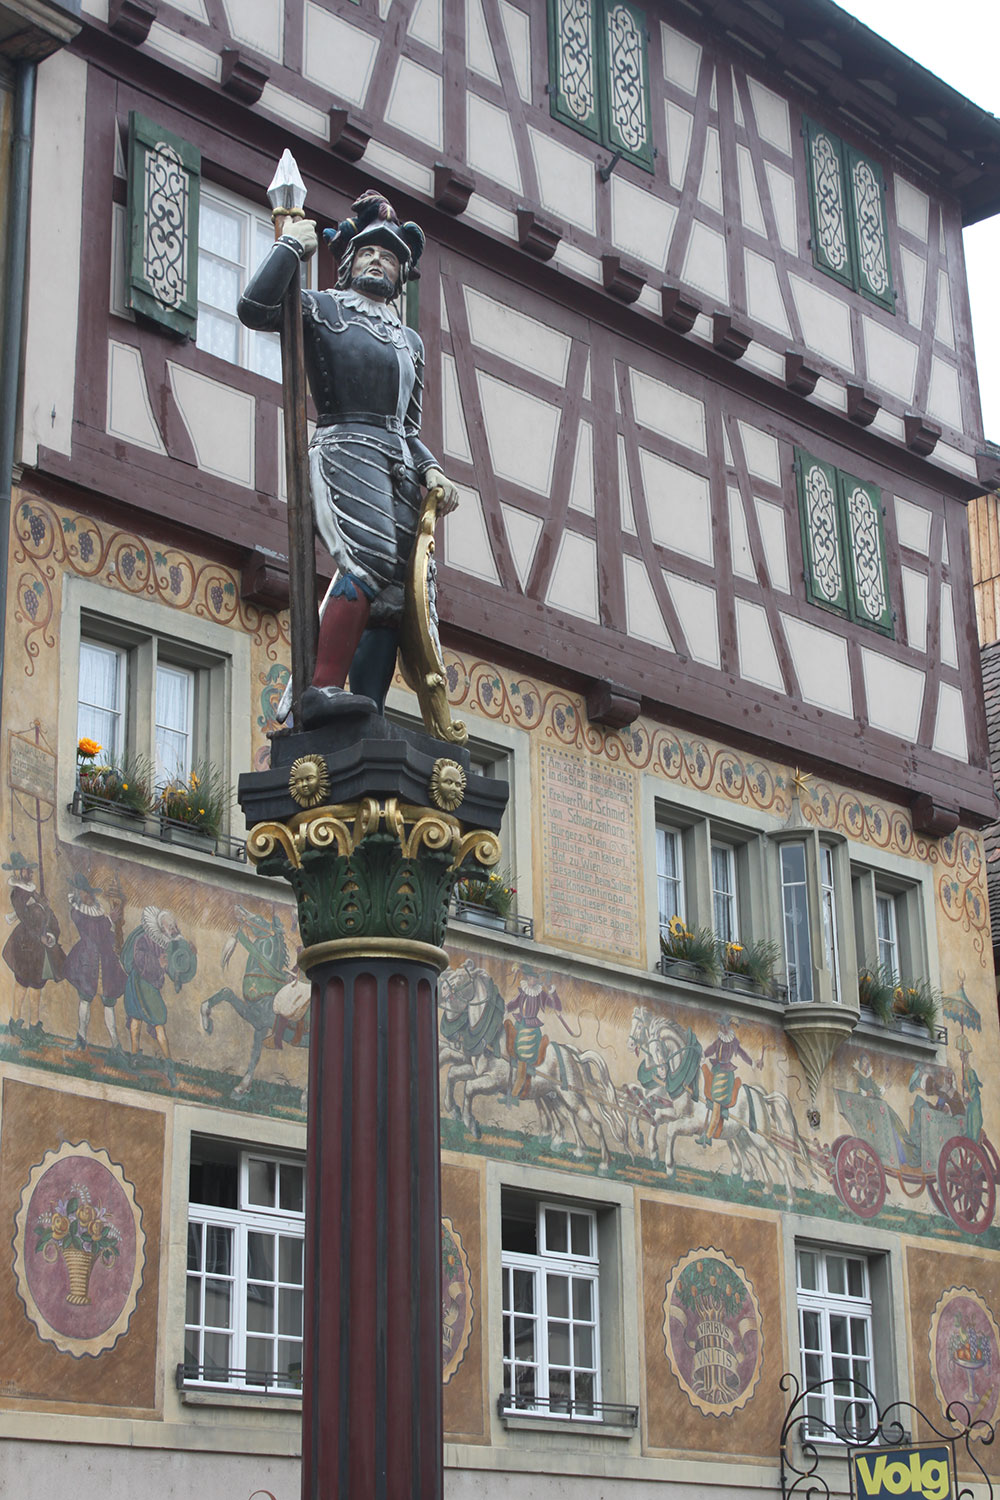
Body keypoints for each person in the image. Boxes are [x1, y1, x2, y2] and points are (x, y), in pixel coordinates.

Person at [238, 189, 459, 726]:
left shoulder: (409, 341)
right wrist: (290, 248)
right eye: (368, 252)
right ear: (349, 261)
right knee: (371, 560)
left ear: (402, 275)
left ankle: (367, 711)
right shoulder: (323, 308)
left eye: (390, 256)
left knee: (392, 596)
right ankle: (320, 688)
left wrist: (430, 465)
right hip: (344, 447)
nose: (379, 260)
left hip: (399, 464)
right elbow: (255, 309)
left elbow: (409, 426)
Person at [2, 851, 65, 1037]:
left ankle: (34, 1024)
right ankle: (15, 1021)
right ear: (18, 872)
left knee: (37, 985)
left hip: (41, 948)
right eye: (26, 870)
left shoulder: (34, 893)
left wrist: (52, 934)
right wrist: (40, 936)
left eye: (30, 870)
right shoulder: (18, 894)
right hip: (25, 946)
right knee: (22, 983)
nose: (29, 873)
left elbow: (50, 916)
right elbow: (27, 920)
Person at [64, 870, 126, 1053]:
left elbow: (105, 934)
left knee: (109, 1003)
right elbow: (92, 933)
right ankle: (81, 1038)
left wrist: (116, 937)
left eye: (89, 892)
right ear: (77, 893)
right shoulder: (76, 912)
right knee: (85, 1000)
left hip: (105, 963)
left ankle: (116, 1044)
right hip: (87, 963)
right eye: (84, 892)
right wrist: (109, 920)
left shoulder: (98, 911)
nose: (88, 895)